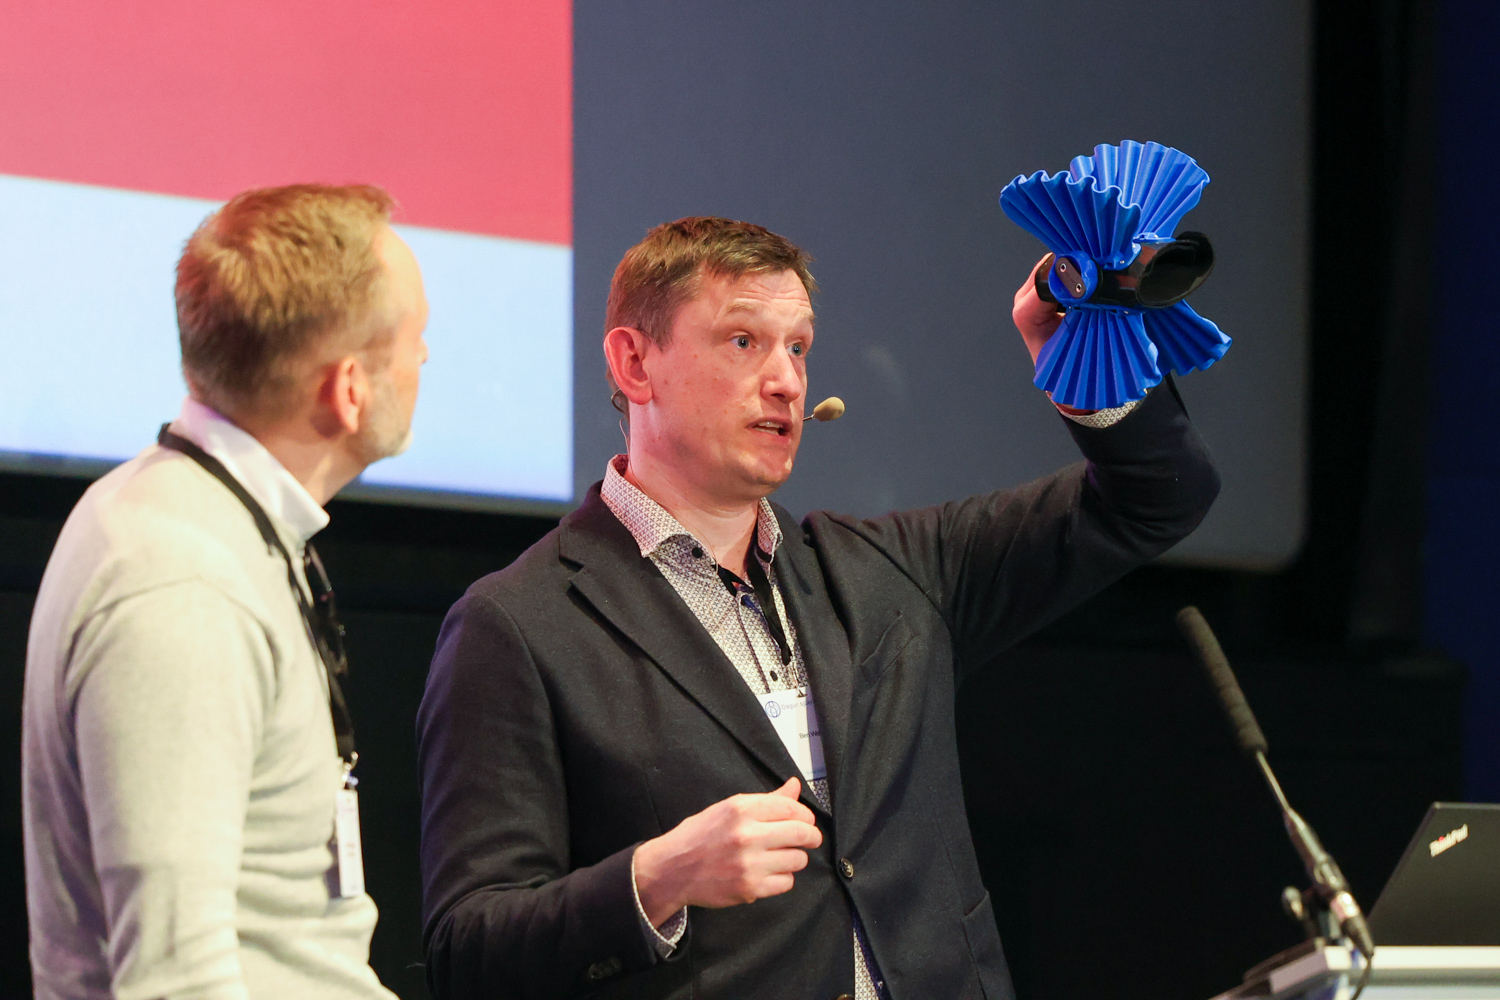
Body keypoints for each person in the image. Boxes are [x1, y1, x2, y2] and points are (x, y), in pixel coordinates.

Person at [416, 216, 1218, 999]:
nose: (787, 380)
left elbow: (1156, 497)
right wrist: (656, 878)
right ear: (635, 363)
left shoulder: (896, 574)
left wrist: (1077, 353)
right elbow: (468, 950)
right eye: (743, 342)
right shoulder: (520, 625)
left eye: (798, 347)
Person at [23, 183, 429, 1000]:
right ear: (349, 388)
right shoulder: (182, 582)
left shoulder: (204, 525)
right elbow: (174, 983)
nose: (424, 360)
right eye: (415, 339)